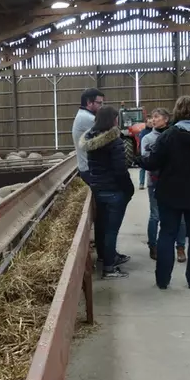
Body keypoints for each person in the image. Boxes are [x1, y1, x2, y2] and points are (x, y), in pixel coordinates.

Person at [138, 96, 190, 290]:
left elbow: (153, 162)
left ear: (176, 112)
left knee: (167, 234)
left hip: (170, 193)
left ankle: (162, 280)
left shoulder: (169, 136)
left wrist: (138, 159)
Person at [79, 105, 134, 279]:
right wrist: (128, 189)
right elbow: (120, 170)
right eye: (116, 118)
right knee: (111, 230)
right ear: (111, 120)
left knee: (102, 227)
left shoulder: (90, 141)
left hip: (97, 188)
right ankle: (109, 268)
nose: (117, 121)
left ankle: (106, 257)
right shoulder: (114, 141)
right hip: (113, 190)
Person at [141, 109, 187, 262]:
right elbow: (147, 160)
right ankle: (153, 246)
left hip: (175, 183)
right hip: (155, 182)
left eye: (157, 117)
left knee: (179, 217)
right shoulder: (147, 138)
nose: (153, 120)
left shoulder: (176, 136)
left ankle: (180, 247)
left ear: (166, 119)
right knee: (155, 215)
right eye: (152, 117)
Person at [72, 88, 105, 185]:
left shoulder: (83, 115)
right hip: (90, 169)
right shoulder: (88, 118)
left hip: (88, 168)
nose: (101, 106)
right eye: (99, 103)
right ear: (89, 102)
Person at [138, 117, 153, 190]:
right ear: (146, 123)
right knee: (143, 168)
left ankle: (150, 183)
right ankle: (141, 183)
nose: (151, 124)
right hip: (144, 152)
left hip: (153, 152)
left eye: (151, 122)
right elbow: (141, 142)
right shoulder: (143, 132)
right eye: (149, 122)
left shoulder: (154, 131)